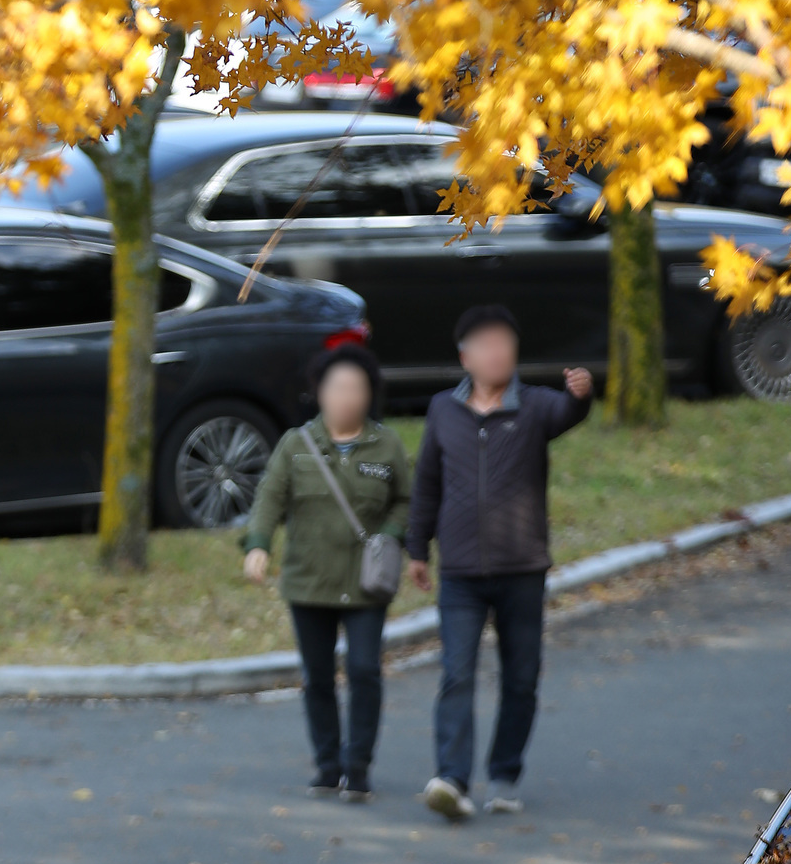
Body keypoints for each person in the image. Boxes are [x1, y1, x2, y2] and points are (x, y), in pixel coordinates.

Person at [406, 305, 593, 821]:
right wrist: (417, 548)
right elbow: (427, 482)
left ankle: (505, 773)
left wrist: (582, 396)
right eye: (486, 345)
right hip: (461, 572)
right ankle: (452, 778)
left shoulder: (533, 406)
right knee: (456, 674)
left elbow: (568, 413)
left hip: (521, 568)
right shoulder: (444, 411)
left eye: (506, 344)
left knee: (520, 677)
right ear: (466, 357)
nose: (497, 353)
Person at [242, 343, 411, 799]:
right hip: (308, 580)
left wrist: (392, 533)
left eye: (356, 387)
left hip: (365, 582)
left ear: (369, 393)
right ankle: (327, 763)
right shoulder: (296, 446)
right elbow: (268, 499)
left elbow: (407, 498)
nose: (346, 396)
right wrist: (258, 546)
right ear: (319, 392)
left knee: (363, 670)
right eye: (337, 387)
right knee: (317, 677)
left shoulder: (387, 445)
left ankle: (358, 765)